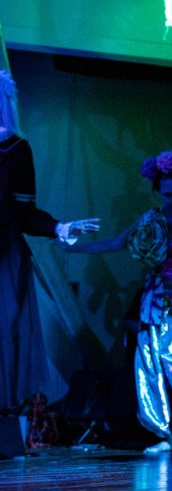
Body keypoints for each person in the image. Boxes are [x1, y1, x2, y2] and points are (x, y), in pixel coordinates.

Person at [67, 149, 172, 454]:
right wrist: (70, 246)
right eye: (168, 194)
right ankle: (166, 434)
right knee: (153, 368)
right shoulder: (152, 219)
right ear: (159, 192)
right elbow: (117, 242)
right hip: (159, 306)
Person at [1, 68, 99, 413]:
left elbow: (25, 212)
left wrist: (59, 227)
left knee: (4, 331)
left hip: (3, 254)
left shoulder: (14, 149)